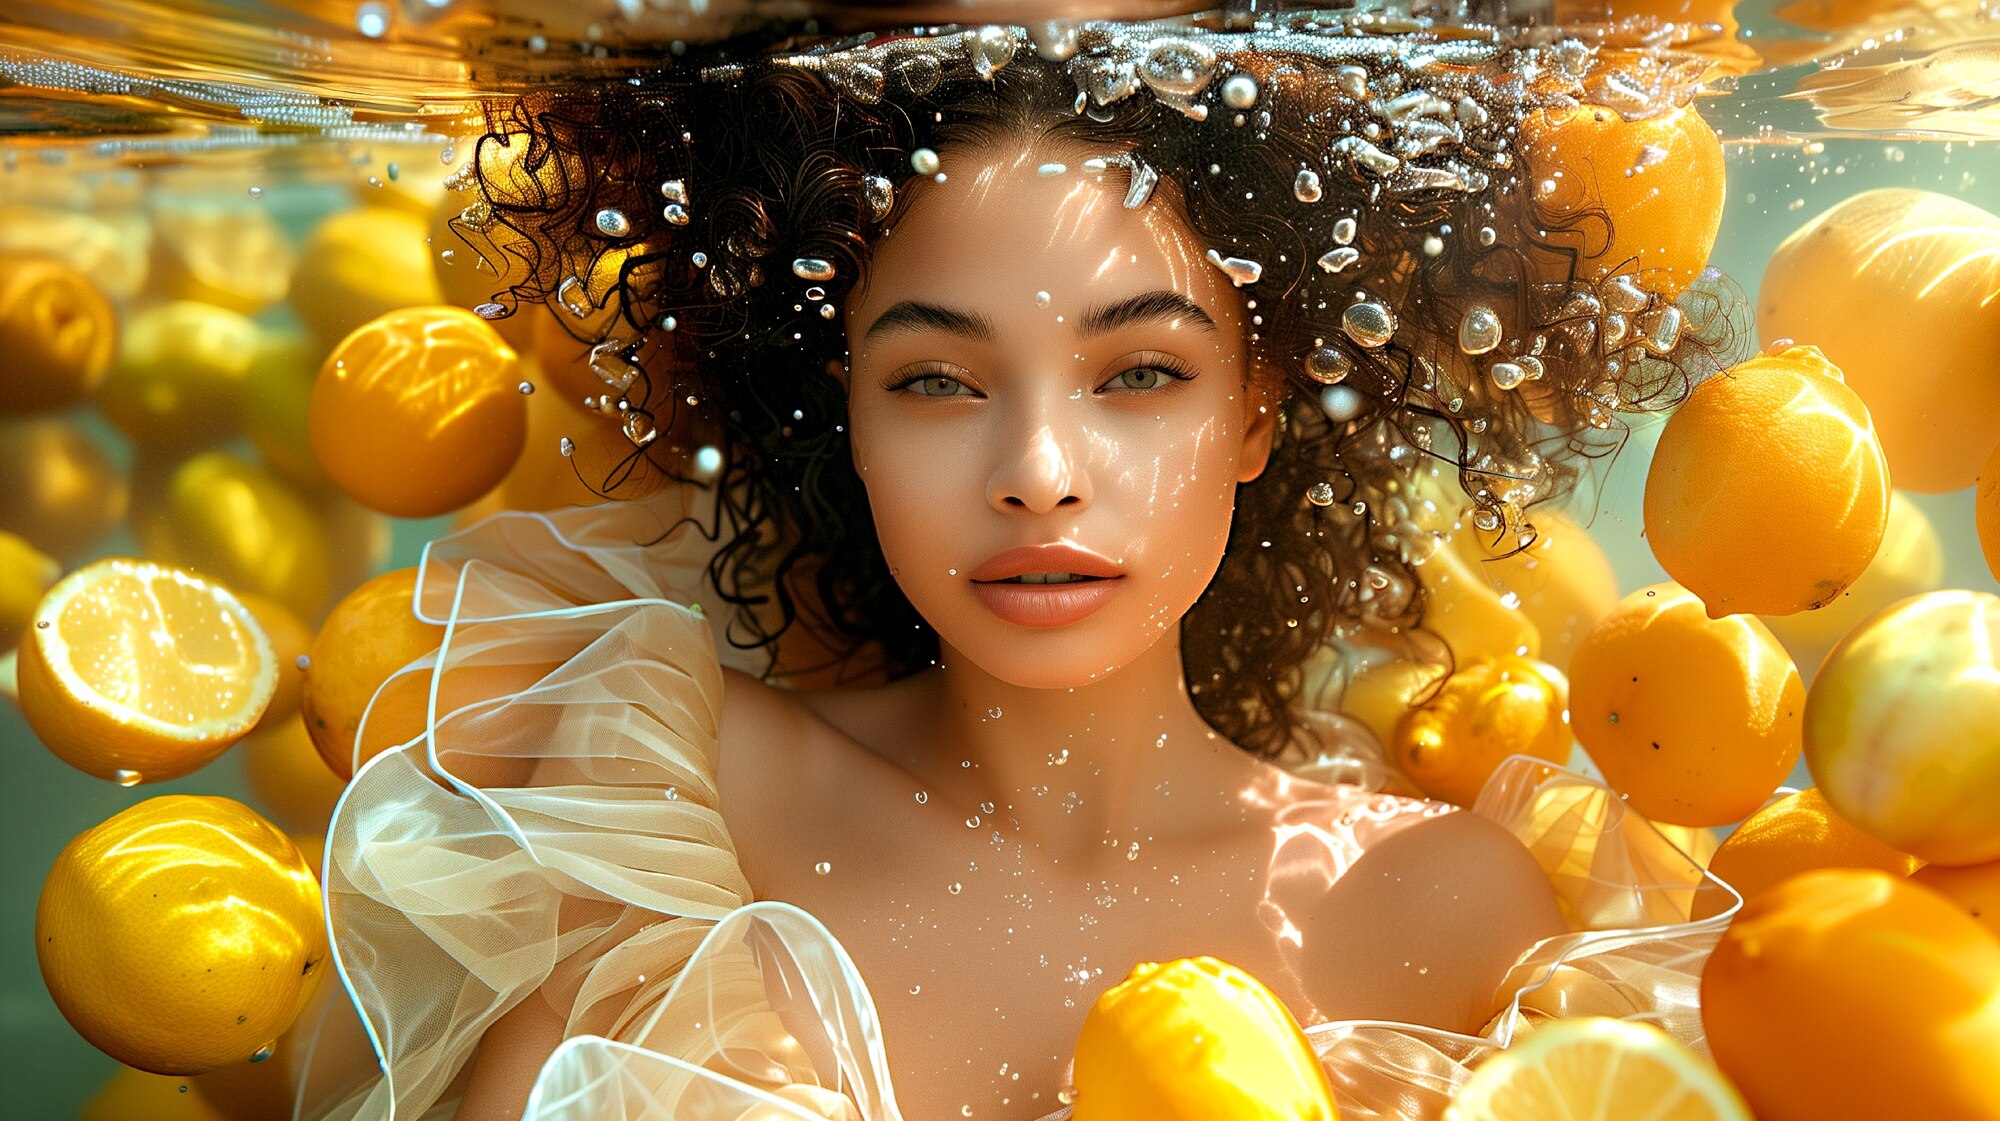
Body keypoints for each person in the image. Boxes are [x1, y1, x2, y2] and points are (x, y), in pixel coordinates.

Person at [308, 15, 1735, 1121]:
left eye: (1142, 373)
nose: (1037, 468)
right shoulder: (673, 804)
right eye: (936, 380)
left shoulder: (1447, 909)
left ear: (1256, 408)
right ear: (845, 416)